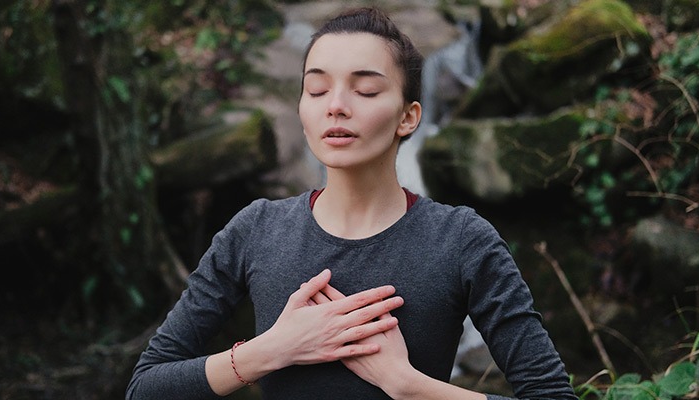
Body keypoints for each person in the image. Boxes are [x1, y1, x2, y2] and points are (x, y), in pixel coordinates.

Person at [127, 7, 577, 400]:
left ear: (408, 117)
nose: (336, 106)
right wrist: (270, 351)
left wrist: (407, 386)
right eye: (317, 90)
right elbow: (145, 387)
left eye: (364, 91)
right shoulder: (256, 230)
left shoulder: (462, 240)